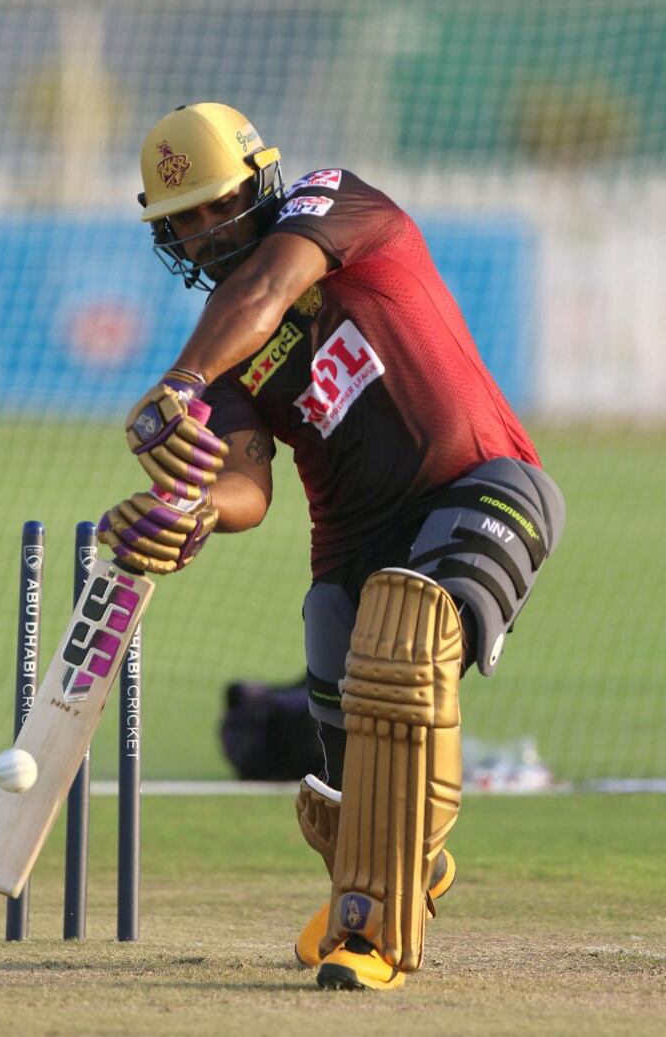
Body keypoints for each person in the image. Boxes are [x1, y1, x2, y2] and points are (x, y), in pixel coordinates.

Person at [98, 103, 565, 992]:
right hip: (349, 559)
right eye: (180, 221)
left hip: (485, 487)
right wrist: (189, 510)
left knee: (405, 635)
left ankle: (375, 929)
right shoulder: (225, 360)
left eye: (215, 205)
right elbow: (247, 488)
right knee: (345, 753)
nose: (202, 234)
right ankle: (397, 869)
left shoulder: (334, 202)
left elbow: (266, 291)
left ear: (261, 183)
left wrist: (178, 380)